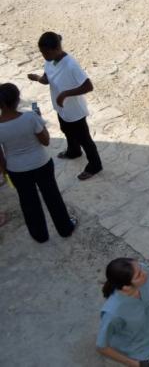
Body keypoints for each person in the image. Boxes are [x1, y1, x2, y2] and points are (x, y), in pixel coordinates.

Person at [0, 82, 77, 242]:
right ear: (17, 100)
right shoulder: (30, 117)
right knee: (52, 196)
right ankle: (65, 228)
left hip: (16, 169)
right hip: (41, 163)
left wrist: (4, 170)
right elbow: (46, 141)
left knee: (28, 202)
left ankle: (39, 236)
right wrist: (41, 123)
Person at [28, 31, 102, 181]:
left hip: (75, 111)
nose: (43, 55)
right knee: (66, 130)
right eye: (41, 52)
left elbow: (88, 86)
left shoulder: (71, 65)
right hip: (61, 107)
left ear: (56, 49)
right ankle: (73, 151)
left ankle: (95, 165)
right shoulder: (50, 60)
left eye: (45, 52)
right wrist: (37, 78)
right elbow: (47, 78)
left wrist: (64, 94)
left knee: (84, 139)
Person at [97, 258, 149, 367]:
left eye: (140, 268)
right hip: (143, 353)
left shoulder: (143, 274)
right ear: (126, 287)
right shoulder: (113, 313)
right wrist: (134, 364)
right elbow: (101, 346)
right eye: (139, 275)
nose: (144, 273)